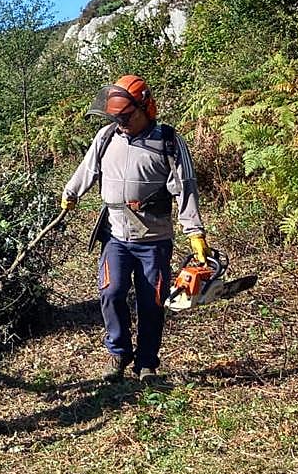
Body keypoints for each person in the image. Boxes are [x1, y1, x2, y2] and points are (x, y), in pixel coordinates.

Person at [61, 75, 209, 383]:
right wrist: (71, 192)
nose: (121, 122)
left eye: (126, 116)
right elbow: (87, 169)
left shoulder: (168, 141)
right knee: (111, 292)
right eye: (116, 117)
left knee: (151, 301)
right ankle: (119, 352)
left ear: (145, 108)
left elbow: (186, 187)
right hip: (115, 234)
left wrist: (194, 232)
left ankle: (146, 363)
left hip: (153, 239)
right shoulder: (106, 137)